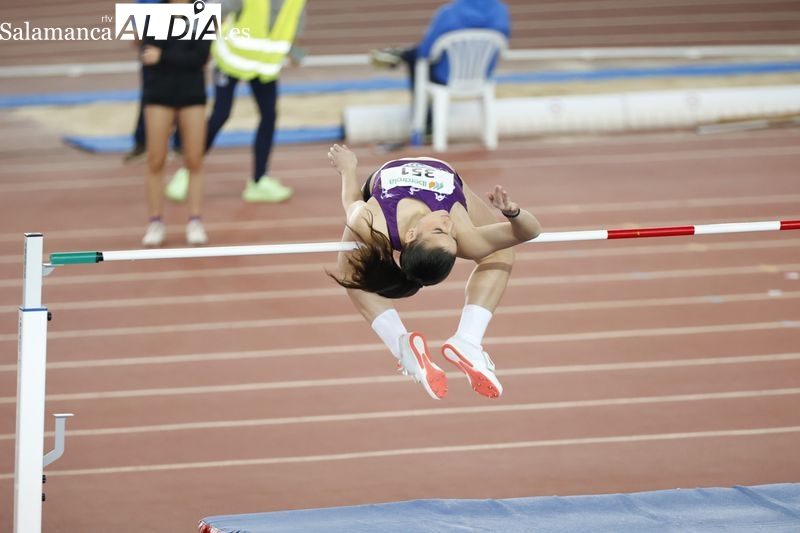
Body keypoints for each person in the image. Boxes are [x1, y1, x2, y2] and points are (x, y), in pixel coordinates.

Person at [327, 144, 541, 400]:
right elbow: (529, 231)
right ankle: (466, 341)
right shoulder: (462, 230)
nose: (449, 224)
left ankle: (407, 345)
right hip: (446, 180)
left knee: (351, 273)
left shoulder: (371, 222)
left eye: (444, 232)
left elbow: (352, 200)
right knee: (500, 252)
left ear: (411, 235)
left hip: (387, 203)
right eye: (448, 234)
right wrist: (513, 215)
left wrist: (348, 168)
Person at [164, 0, 306, 204]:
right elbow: (215, 10)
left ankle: (258, 181)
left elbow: (297, 17)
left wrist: (294, 47)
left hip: (265, 66)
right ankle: (187, 172)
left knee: (269, 116)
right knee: (221, 113)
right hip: (230, 60)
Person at [369, 0, 511, 137]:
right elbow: (501, 45)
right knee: (417, 56)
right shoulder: (501, 11)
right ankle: (403, 55)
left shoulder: (449, 13)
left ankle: (424, 123)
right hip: (482, 76)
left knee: (417, 61)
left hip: (445, 76)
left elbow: (426, 51)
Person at [140, 0, 212, 247]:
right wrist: (174, 57)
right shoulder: (155, 15)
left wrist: (164, 56)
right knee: (155, 159)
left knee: (194, 159)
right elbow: (147, 54)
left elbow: (201, 57)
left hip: (192, 96)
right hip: (159, 95)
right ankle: (155, 222)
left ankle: (195, 221)